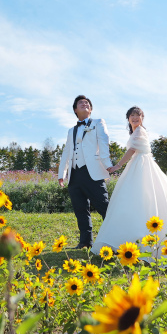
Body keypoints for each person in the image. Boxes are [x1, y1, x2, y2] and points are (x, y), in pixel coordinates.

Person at [91, 106, 167, 258]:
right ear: (128, 118)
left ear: (142, 118)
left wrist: (118, 165)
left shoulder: (140, 131)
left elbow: (131, 151)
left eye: (138, 115)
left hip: (142, 166)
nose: (135, 118)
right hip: (137, 165)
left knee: (142, 198)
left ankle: (141, 241)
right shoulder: (135, 132)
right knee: (133, 201)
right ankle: (128, 239)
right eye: (132, 115)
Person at [57, 95, 115, 249]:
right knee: (80, 209)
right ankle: (85, 242)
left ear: (91, 109)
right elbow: (66, 152)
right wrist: (61, 174)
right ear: (75, 110)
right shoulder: (71, 131)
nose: (84, 103)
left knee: (104, 206)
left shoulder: (98, 123)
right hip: (74, 175)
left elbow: (104, 143)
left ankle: (114, 239)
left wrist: (108, 165)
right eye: (80, 103)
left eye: (87, 102)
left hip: (93, 172)